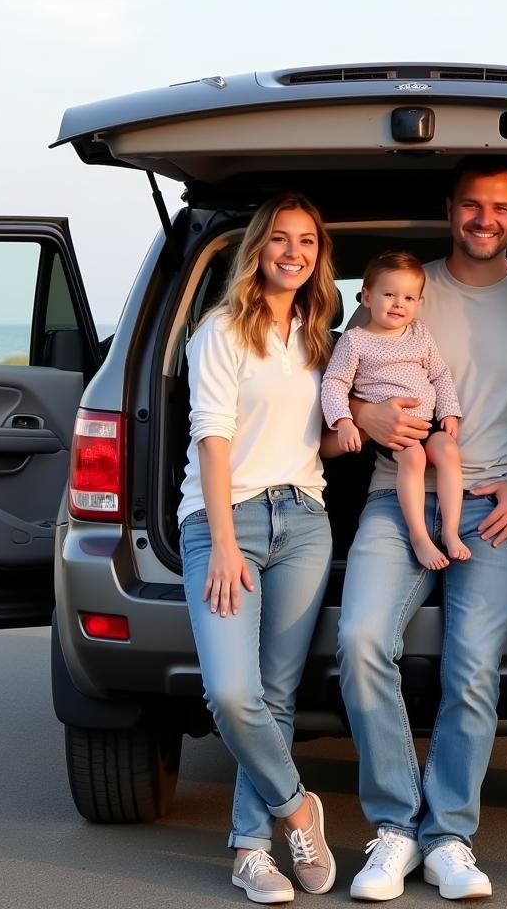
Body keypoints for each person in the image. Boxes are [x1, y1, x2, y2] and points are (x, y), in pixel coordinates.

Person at [337, 156, 507, 901]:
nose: (484, 219)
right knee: (361, 641)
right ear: (450, 209)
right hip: (397, 498)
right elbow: (342, 377)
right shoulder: (409, 292)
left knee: (472, 670)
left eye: (499, 207)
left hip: (496, 510)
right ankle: (395, 827)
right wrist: (363, 418)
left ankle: (449, 835)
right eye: (471, 205)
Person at [177, 192, 344, 904]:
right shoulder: (221, 330)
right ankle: (298, 809)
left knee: (276, 695)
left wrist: (374, 420)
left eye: (307, 241)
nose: (294, 252)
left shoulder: (317, 333)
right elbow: (212, 441)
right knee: (232, 692)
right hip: (228, 521)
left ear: (318, 256)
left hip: (305, 519)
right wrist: (220, 544)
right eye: (281, 238)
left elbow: (322, 437)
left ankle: (251, 850)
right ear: (258, 248)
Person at [321, 251, 468, 571]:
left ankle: (452, 532)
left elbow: (440, 373)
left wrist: (449, 412)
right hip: (389, 427)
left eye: (409, 297)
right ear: (367, 297)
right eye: (389, 295)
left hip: (426, 421)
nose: (399, 303)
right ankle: (419, 536)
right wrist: (344, 421)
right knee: (413, 458)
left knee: (447, 450)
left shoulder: (419, 333)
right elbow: (334, 382)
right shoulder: (355, 341)